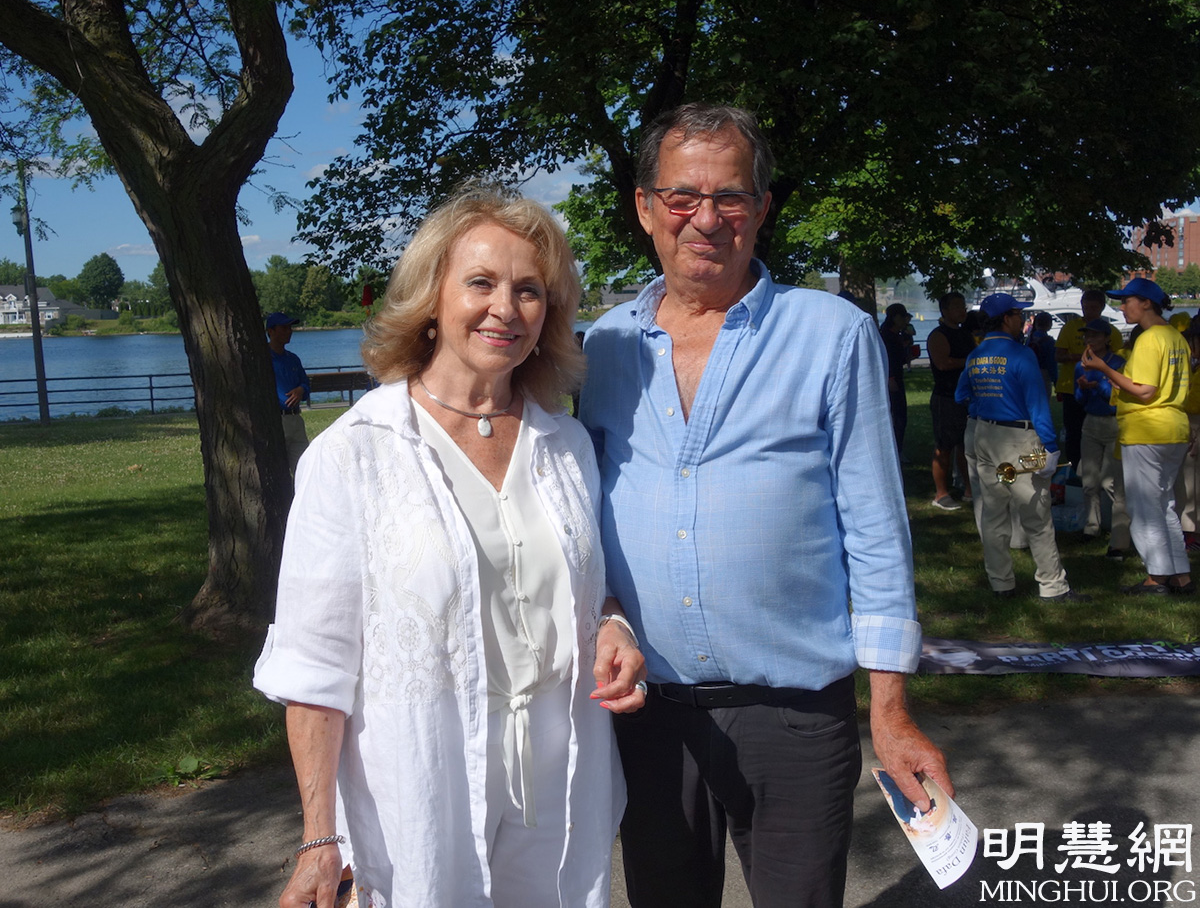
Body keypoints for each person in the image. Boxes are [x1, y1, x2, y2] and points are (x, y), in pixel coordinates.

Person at [580, 103, 951, 908]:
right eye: (682, 196)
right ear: (644, 207)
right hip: (646, 716)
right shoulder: (602, 347)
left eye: (731, 196)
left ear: (763, 207)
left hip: (794, 716)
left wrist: (890, 711)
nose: (706, 217)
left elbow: (877, 531)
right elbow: (575, 517)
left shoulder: (833, 334)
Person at [254, 186, 646, 908]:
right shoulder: (355, 454)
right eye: (481, 282)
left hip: (560, 786)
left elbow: (583, 585)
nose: (506, 308)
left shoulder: (566, 445)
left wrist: (614, 622)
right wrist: (317, 839)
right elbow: (314, 665)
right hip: (423, 791)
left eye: (529, 290)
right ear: (431, 299)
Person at [955, 293, 1088, 602]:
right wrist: (1051, 447)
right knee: (1036, 514)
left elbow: (962, 394)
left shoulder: (976, 355)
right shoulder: (1021, 354)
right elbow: (1037, 404)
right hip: (1018, 441)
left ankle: (1001, 583)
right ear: (1006, 318)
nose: (1023, 319)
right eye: (1018, 314)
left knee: (993, 512)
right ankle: (1052, 586)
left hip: (986, 437)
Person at [1081, 277, 1193, 597]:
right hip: (1173, 427)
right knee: (1164, 505)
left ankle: (1157, 577)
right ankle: (1180, 576)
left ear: (1145, 303)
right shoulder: (1176, 337)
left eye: (1126, 301)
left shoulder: (1149, 339)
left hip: (1147, 430)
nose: (1121, 307)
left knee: (1145, 509)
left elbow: (1145, 390)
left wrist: (1103, 368)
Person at [1073, 318, 1131, 559]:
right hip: (1091, 423)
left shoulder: (1117, 363)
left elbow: (1116, 399)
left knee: (1112, 483)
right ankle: (1091, 526)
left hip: (1114, 423)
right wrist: (1082, 388)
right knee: (1089, 480)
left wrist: (1097, 385)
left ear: (1107, 338)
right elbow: (1079, 399)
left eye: (1096, 335)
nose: (1090, 340)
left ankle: (1120, 537)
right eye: (1087, 335)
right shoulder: (1082, 363)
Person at [1054, 289, 1123, 470]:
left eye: (1093, 308)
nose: (1089, 312)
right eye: (1085, 307)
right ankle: (1074, 469)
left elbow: (1117, 359)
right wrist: (1081, 358)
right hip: (1073, 387)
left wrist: (1097, 363)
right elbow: (1058, 355)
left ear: (1101, 308)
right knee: (1074, 432)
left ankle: (1104, 470)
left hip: (1106, 392)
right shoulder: (1070, 327)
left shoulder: (1112, 332)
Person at [928, 291, 974, 509]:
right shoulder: (938, 335)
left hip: (967, 398)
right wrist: (970, 361)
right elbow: (942, 363)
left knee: (966, 446)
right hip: (946, 397)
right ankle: (941, 494)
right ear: (944, 311)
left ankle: (969, 489)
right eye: (956, 306)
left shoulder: (966, 334)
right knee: (944, 446)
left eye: (963, 306)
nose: (962, 310)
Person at [266, 312, 311, 475]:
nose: (289, 331)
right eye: (284, 328)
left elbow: (305, 384)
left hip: (295, 419)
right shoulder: (262, 359)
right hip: (275, 420)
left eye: (290, 328)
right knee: (279, 472)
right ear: (271, 331)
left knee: (303, 470)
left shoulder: (293, 359)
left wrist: (301, 389)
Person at [1175, 318, 1200, 551]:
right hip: (1187, 421)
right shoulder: (1192, 366)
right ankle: (1188, 528)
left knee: (1192, 481)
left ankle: (1192, 531)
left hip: (1196, 422)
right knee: (1187, 479)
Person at [880, 302, 914, 455]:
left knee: (900, 416)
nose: (905, 320)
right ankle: (893, 452)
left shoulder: (896, 335)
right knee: (896, 416)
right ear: (895, 318)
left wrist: (908, 356)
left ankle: (897, 449)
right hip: (891, 379)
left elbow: (897, 358)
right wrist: (890, 377)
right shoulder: (886, 336)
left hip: (896, 377)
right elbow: (885, 359)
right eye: (903, 317)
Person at [1026, 311, 1057, 397]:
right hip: (1044, 374)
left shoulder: (1030, 339)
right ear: (1049, 325)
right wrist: (1055, 380)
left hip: (1030, 372)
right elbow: (1052, 363)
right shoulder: (1049, 341)